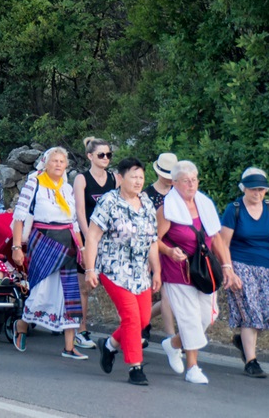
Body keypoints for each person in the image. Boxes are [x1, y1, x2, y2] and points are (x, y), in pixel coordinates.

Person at [82, 156, 160, 386]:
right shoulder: (109, 201)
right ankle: (136, 367)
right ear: (121, 178)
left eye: (141, 177)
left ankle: (109, 345)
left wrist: (157, 271)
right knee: (131, 318)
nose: (138, 181)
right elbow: (93, 237)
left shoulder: (146, 203)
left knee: (143, 319)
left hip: (140, 272)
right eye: (133, 177)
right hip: (113, 268)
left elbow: (153, 240)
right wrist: (90, 269)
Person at [216, 167, 269, 378]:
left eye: (261, 189)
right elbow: (223, 243)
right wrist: (229, 270)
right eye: (253, 189)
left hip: (267, 266)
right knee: (251, 312)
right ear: (244, 188)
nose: (257, 193)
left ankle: (242, 341)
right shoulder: (234, 209)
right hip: (240, 264)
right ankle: (251, 361)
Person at [11, 146, 86, 358]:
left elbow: (74, 222)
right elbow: (19, 216)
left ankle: (69, 346)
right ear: (45, 163)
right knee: (40, 291)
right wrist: (16, 247)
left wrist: (82, 248)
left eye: (62, 162)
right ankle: (22, 325)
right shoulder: (34, 184)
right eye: (54, 161)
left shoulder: (67, 188)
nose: (58, 165)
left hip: (67, 242)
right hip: (43, 241)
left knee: (69, 293)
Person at [157, 160, 227, 385]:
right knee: (190, 320)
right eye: (186, 181)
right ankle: (193, 368)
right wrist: (169, 251)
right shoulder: (166, 209)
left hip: (205, 270)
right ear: (175, 183)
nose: (191, 184)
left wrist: (227, 266)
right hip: (179, 271)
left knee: (207, 317)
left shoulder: (205, 204)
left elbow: (216, 238)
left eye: (194, 180)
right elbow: (153, 240)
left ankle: (173, 344)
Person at [73, 137, 117, 348]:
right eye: (101, 155)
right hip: (88, 236)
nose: (106, 158)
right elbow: (80, 212)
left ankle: (124, 332)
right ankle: (80, 330)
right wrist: (87, 240)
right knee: (84, 287)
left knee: (116, 284)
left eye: (108, 154)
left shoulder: (114, 179)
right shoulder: (82, 179)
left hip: (109, 240)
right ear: (90, 156)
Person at [142, 152, 178, 344]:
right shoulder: (147, 195)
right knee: (148, 291)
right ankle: (143, 323)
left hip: (173, 248)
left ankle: (146, 322)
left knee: (169, 295)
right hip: (151, 245)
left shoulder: (179, 192)